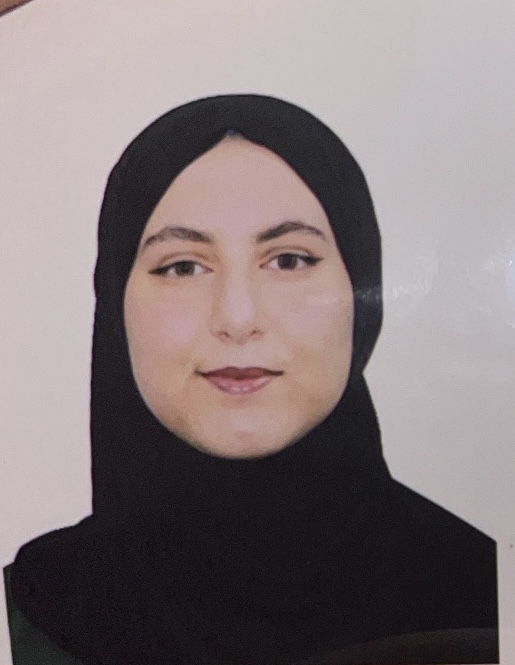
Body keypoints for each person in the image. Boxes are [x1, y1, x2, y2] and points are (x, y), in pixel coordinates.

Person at [4, 94, 498, 664]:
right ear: (116, 304)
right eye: (183, 266)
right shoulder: (29, 617)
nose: (237, 318)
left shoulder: (484, 592)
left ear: (361, 292)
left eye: (289, 260)